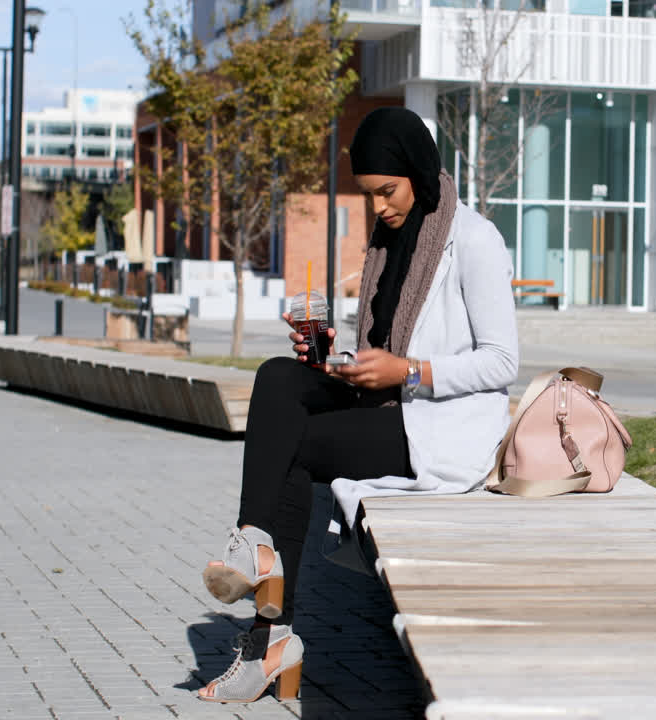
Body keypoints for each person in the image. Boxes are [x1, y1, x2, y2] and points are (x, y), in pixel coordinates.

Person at [195, 107, 519, 704]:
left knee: (293, 451)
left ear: (419, 173)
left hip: (443, 424)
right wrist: (334, 357)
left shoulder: (474, 239)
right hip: (389, 399)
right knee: (278, 377)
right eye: (369, 195)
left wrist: (411, 370)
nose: (379, 207)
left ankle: (270, 632)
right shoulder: (390, 242)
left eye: (386, 192)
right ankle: (254, 544)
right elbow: (385, 346)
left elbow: (503, 361)